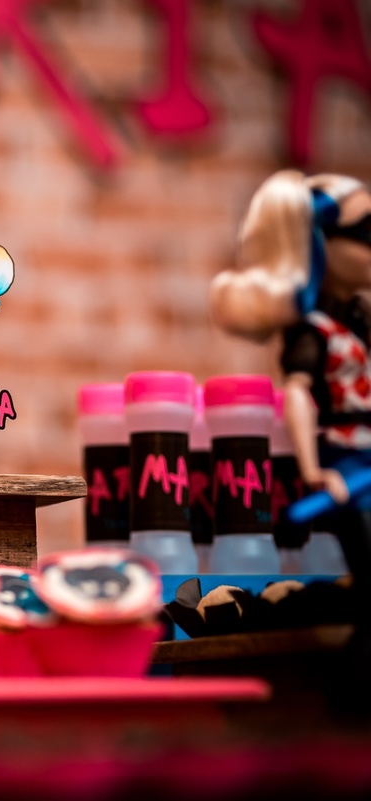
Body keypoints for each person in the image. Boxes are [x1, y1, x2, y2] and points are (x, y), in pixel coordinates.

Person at [210, 170, 371, 711]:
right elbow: (299, 396)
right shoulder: (313, 332)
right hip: (345, 463)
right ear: (319, 240)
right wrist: (313, 467)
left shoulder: (358, 321)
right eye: (365, 230)